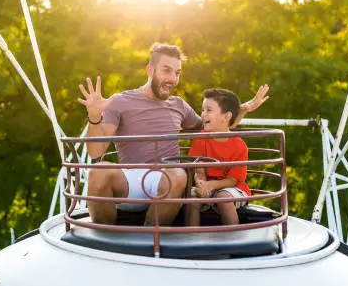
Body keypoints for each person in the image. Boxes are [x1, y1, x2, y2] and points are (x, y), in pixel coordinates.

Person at [77, 42, 269, 226]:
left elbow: (217, 125)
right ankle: (108, 239)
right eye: (166, 70)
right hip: (131, 180)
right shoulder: (120, 101)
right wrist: (94, 117)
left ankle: (150, 238)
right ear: (150, 70)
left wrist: (243, 108)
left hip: (169, 181)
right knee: (98, 171)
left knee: (178, 174)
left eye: (177, 73)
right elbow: (95, 152)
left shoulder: (179, 105)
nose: (172, 79)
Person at [188, 88, 251, 226]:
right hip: (207, 185)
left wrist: (211, 185)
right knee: (191, 198)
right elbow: (199, 169)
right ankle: (191, 237)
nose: (203, 114)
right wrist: (201, 184)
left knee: (224, 198)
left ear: (226, 116)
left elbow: (233, 180)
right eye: (202, 110)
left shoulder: (239, 146)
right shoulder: (201, 138)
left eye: (209, 110)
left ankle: (233, 239)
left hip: (232, 188)